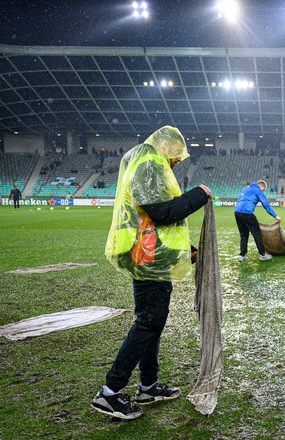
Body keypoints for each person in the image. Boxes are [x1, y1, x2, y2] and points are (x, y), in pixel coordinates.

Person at [91, 126, 211, 420]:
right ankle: (110, 392)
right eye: (177, 156)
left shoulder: (145, 162)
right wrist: (199, 195)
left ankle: (148, 385)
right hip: (146, 259)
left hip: (147, 256)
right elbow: (161, 212)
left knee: (151, 323)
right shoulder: (150, 164)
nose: (178, 162)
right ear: (167, 148)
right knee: (148, 323)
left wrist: (187, 250)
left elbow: (153, 222)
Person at [234, 180, 281, 261]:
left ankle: (242, 255)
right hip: (247, 213)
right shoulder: (258, 190)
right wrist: (275, 216)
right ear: (262, 186)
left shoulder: (245, 188)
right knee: (257, 233)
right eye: (263, 190)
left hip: (237, 212)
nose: (263, 192)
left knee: (244, 235)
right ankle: (263, 254)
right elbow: (266, 204)